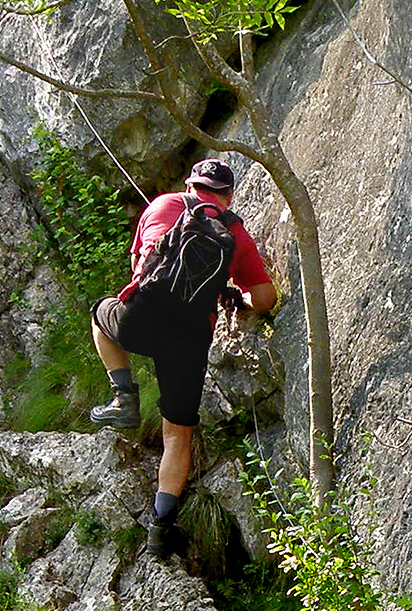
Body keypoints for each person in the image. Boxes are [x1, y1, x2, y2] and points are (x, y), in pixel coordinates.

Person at [88, 159, 279, 558]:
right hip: (191, 338)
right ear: (228, 196)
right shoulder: (235, 233)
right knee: (177, 434)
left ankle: (124, 397)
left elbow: (140, 266)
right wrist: (236, 295)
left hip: (142, 319)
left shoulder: (161, 205)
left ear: (191, 185)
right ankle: (161, 529)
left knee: (99, 314)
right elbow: (265, 298)